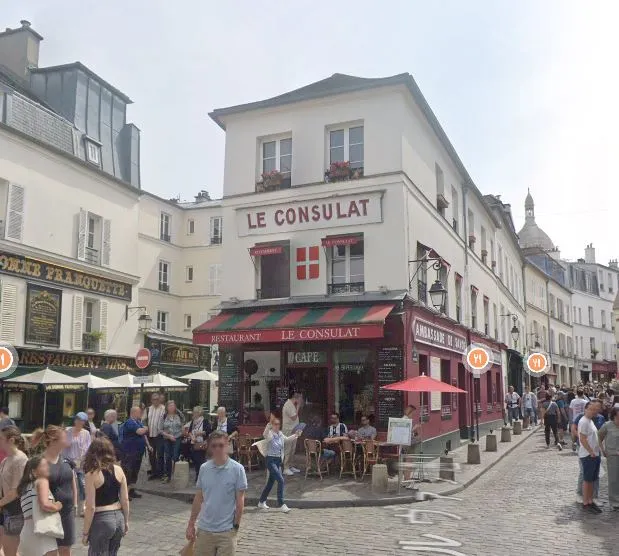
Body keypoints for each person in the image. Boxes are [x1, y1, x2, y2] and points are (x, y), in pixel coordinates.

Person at [186, 431, 247, 556]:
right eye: (214, 446)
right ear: (209, 447)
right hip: (205, 530)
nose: (217, 449)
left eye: (221, 445)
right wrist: (191, 524)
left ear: (227, 445)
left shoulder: (237, 469)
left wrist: (236, 526)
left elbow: (240, 502)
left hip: (226, 531)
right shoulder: (204, 468)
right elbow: (198, 498)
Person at [82, 438, 130, 555]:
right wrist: (126, 521)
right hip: (118, 518)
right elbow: (125, 500)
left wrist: (85, 532)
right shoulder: (119, 470)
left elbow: (90, 507)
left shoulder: (91, 474)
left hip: (102, 520)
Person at [18, 454, 63, 556]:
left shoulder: (24, 488)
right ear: (34, 472)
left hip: (26, 532)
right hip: (41, 531)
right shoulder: (42, 481)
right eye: (43, 465)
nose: (48, 467)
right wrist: (58, 506)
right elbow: (45, 505)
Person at [43, 425, 77, 555]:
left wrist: (75, 504)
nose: (67, 440)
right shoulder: (40, 462)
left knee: (65, 548)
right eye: (64, 438)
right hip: (48, 513)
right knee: (50, 550)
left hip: (67, 512)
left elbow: (72, 483)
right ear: (53, 441)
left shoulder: (66, 461)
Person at [257, 417, 302, 513]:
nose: (277, 426)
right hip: (270, 460)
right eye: (275, 424)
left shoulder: (280, 434)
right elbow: (264, 434)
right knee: (281, 480)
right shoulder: (270, 434)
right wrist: (268, 426)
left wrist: (296, 435)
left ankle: (261, 501)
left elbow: (287, 440)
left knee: (270, 483)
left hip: (278, 460)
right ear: (272, 425)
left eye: (278, 424)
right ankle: (281, 504)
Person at [0, 426, 28, 556]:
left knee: (10, 551)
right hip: (4, 508)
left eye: (1, 438)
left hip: (15, 510)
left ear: (11, 440)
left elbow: (17, 490)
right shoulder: (6, 459)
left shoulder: (20, 459)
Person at [64, 412, 92, 516]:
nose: (78, 422)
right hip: (68, 461)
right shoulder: (68, 430)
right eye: (77, 419)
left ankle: (82, 508)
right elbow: (64, 445)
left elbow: (88, 448)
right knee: (69, 485)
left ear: (84, 422)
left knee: (82, 485)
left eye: (81, 420)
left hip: (81, 463)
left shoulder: (86, 433)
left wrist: (84, 460)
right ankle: (70, 506)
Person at [119, 406, 148, 501]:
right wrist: (146, 428)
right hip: (130, 452)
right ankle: (124, 493)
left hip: (138, 452)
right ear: (134, 412)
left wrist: (148, 445)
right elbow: (140, 432)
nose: (141, 414)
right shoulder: (130, 422)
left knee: (135, 471)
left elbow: (143, 435)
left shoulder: (138, 422)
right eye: (139, 412)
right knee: (128, 471)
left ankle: (131, 491)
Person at [578, 401, 603, 513]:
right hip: (588, 455)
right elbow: (582, 439)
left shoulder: (590, 421)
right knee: (587, 480)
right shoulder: (583, 421)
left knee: (592, 479)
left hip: (595, 454)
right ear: (586, 409)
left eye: (594, 409)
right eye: (591, 409)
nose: (593, 411)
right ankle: (585, 503)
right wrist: (591, 451)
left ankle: (590, 500)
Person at [599, 406, 619, 511]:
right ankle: (615, 502)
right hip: (612, 456)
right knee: (614, 479)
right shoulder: (607, 425)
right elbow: (598, 437)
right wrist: (602, 450)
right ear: (614, 416)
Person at [161, 400, 184, 483]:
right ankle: (168, 475)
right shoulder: (164, 416)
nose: (171, 407)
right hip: (167, 439)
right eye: (170, 406)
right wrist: (169, 436)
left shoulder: (179, 415)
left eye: (173, 405)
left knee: (175, 456)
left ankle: (176, 475)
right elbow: (160, 430)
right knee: (167, 457)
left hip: (177, 438)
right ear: (167, 407)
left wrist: (182, 432)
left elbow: (183, 426)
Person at [145, 393, 165, 480]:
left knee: (160, 454)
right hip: (150, 435)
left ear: (160, 399)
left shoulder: (164, 409)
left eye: (157, 399)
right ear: (151, 400)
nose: (155, 401)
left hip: (159, 435)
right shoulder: (148, 409)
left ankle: (161, 472)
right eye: (153, 399)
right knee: (151, 454)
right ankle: (154, 471)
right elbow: (144, 420)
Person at [185, 407, 211, 476]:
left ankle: (202, 475)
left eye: (195, 412)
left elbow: (208, 431)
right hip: (194, 442)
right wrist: (192, 437)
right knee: (195, 459)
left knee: (201, 460)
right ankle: (197, 474)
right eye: (194, 412)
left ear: (199, 413)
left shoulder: (205, 421)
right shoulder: (193, 421)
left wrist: (200, 433)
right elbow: (189, 432)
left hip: (202, 443)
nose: (193, 413)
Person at [281, 392, 302, 476]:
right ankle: (285, 468)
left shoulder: (292, 405)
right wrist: (298, 407)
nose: (301, 400)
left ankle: (290, 466)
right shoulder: (288, 405)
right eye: (300, 398)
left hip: (294, 430)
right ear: (297, 398)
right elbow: (294, 417)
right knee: (288, 449)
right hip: (288, 430)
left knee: (293, 449)